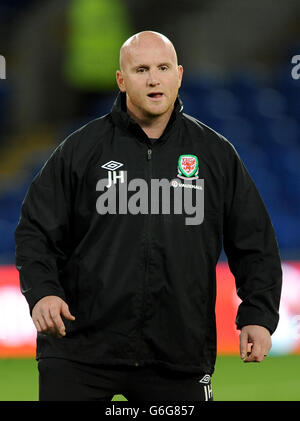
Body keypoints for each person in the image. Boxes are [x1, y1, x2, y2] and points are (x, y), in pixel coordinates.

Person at [15, 31, 282, 401]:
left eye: (163, 68)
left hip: (177, 357)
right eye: (141, 69)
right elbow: (35, 231)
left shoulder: (215, 155)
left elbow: (255, 243)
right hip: (80, 353)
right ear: (121, 81)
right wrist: (43, 292)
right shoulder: (81, 149)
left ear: (179, 75)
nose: (154, 79)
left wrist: (258, 315)